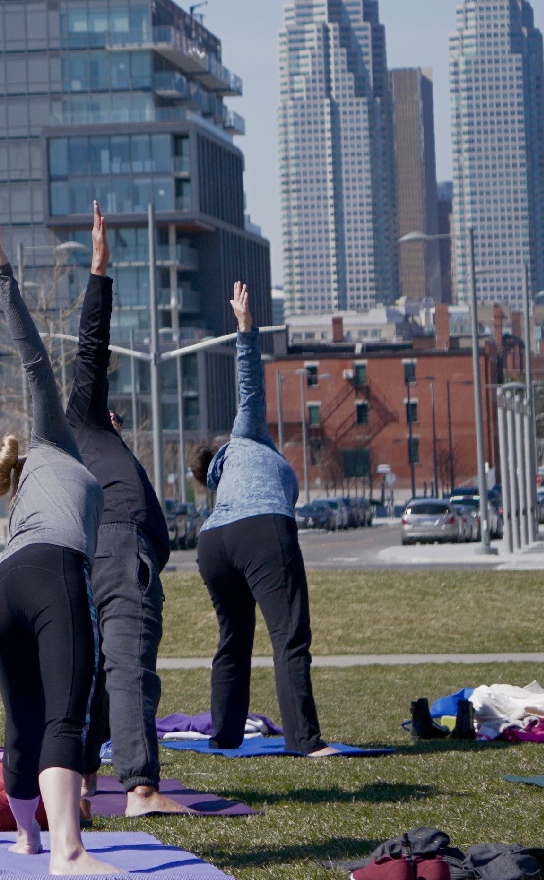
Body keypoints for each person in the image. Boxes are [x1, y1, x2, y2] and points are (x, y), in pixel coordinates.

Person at [0, 213, 118, 876]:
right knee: (65, 712)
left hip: (1, 588)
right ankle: (69, 851)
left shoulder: (32, 482)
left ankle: (28, 838)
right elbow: (38, 357)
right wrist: (2, 270)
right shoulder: (54, 440)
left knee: (22, 717)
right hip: (53, 571)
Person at [67, 205, 188, 817]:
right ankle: (139, 789)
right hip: (116, 550)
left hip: (107, 552)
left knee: (99, 672)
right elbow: (91, 349)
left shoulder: (96, 444)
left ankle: (87, 783)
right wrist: (99, 269)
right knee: (130, 664)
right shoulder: (80, 420)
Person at [192, 281, 346, 757]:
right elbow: (249, 386)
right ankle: (304, 741)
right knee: (289, 635)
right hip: (262, 529)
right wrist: (245, 330)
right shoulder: (246, 437)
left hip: (213, 544)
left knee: (234, 639)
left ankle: (225, 736)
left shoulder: (221, 481)